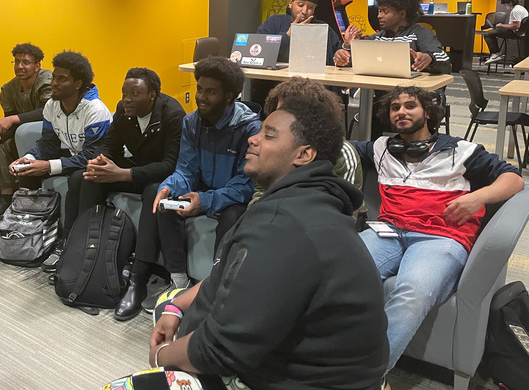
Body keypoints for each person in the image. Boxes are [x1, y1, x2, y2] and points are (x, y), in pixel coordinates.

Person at [102, 93, 388, 390]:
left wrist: (161, 356)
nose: (253, 139)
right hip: (284, 363)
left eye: (269, 134)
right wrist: (175, 306)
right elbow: (229, 276)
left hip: (302, 380)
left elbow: (221, 348)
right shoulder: (303, 202)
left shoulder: (283, 223)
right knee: (167, 303)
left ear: (303, 154)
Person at [351, 86, 524, 385]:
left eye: (410, 106)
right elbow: (337, 147)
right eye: (395, 108)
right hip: (389, 231)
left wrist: (478, 197)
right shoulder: (381, 148)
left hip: (440, 238)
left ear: (427, 113)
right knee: (341, 276)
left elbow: (514, 180)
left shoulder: (462, 151)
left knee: (413, 291)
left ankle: (367, 378)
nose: (401, 112)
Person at [57, 67, 186, 321]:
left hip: (163, 177)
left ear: (152, 95)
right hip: (136, 168)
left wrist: (123, 175)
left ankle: (138, 280)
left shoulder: (173, 115)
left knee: (153, 192)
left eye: (135, 93)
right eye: (124, 93)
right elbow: (110, 143)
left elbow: (172, 164)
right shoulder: (124, 110)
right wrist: (100, 161)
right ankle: (78, 253)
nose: (127, 99)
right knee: (83, 178)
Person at [147, 56, 260, 310]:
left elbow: (246, 185)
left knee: (233, 217)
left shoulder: (250, 129)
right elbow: (186, 170)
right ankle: (178, 281)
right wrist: (170, 186)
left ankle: (215, 289)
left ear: (230, 96)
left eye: (211, 92)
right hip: (205, 190)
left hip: (234, 198)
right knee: (164, 200)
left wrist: (206, 200)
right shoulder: (191, 122)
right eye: (199, 89)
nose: (201, 97)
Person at [9, 50, 112, 272]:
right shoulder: (52, 105)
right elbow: (48, 144)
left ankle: (71, 243)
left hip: (105, 162)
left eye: (61, 79)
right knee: (28, 172)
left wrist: (49, 166)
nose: (53, 83)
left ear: (77, 83)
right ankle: (30, 237)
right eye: (54, 77)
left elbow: (92, 156)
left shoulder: (95, 111)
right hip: (78, 157)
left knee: (78, 177)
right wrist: (28, 159)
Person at [249, 77, 362, 206]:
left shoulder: (342, 153)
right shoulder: (270, 145)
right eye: (280, 110)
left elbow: (342, 207)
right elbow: (260, 192)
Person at [0, 42, 51, 220]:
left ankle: (30, 197)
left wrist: (12, 119)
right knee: (3, 146)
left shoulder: (48, 81)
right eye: (16, 62)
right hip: (23, 135)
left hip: (51, 133)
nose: (20, 66)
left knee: (22, 138)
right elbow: (11, 126)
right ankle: (5, 200)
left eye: (26, 62)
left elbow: (48, 112)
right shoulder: (9, 89)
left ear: (37, 66)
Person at [252, 0, 343, 108]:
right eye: (300, 5)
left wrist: (343, 51)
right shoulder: (275, 22)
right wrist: (289, 34)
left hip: (313, 89)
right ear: (290, 3)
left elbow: (337, 50)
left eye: (310, 7)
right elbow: (259, 49)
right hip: (276, 87)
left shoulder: (323, 28)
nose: (304, 11)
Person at [334, 0, 451, 75]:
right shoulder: (378, 37)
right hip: (383, 92)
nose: (379, 16)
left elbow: (445, 61)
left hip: (414, 92)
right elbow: (352, 63)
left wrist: (429, 58)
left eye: (385, 12)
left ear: (402, 13)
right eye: (379, 11)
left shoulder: (420, 33)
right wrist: (346, 47)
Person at [484, 0, 528, 64]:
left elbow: (516, 26)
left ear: (510, 2)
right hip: (520, 32)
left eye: (505, 4)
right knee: (495, 31)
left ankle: (496, 53)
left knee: (487, 34)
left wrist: (502, 25)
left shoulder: (515, 11)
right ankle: (496, 54)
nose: (505, 6)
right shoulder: (522, 8)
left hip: (514, 32)